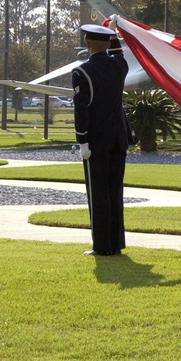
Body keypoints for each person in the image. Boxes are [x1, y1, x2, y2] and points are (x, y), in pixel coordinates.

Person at [73, 23, 129, 256]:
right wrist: (114, 33)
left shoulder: (82, 72)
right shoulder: (119, 67)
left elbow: (81, 109)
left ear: (87, 44)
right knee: (115, 192)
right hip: (118, 138)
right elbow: (118, 54)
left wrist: (82, 140)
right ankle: (115, 244)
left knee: (98, 194)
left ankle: (102, 246)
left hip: (96, 140)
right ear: (107, 43)